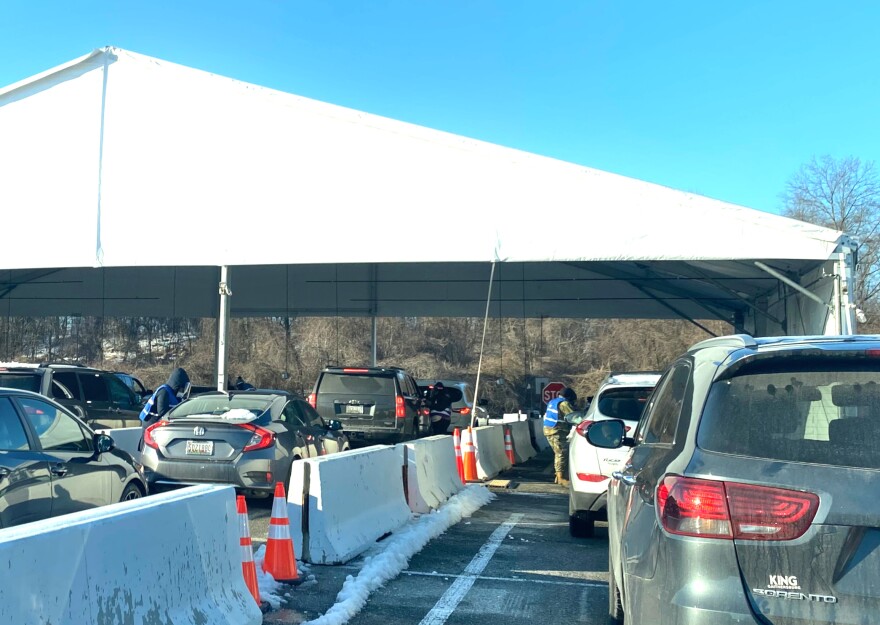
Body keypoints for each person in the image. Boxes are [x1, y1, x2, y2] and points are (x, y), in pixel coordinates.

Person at [543, 386, 577, 486]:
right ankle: (561, 478)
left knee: (559, 453)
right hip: (557, 430)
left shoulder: (553, 401)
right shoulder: (564, 403)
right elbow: (573, 417)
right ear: (569, 397)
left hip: (549, 430)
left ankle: (559, 476)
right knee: (561, 453)